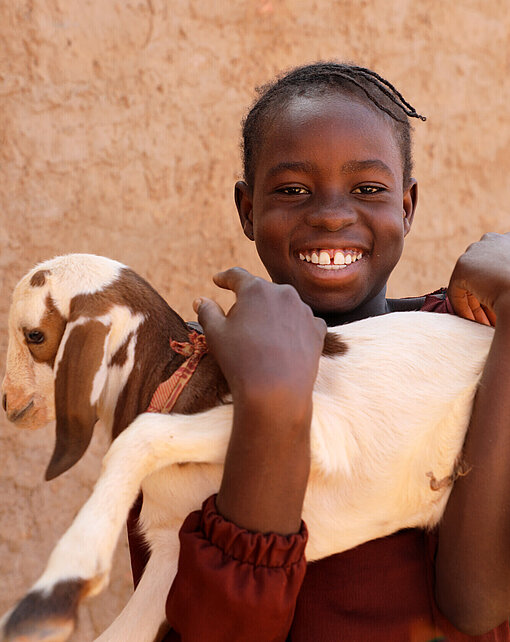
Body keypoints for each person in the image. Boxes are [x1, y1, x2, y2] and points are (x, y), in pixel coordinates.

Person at [129, 62, 510, 640]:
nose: (332, 213)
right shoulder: (186, 391)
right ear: (247, 209)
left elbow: (477, 602)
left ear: (406, 207)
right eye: (292, 190)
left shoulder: (465, 346)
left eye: (368, 189)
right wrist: (270, 409)